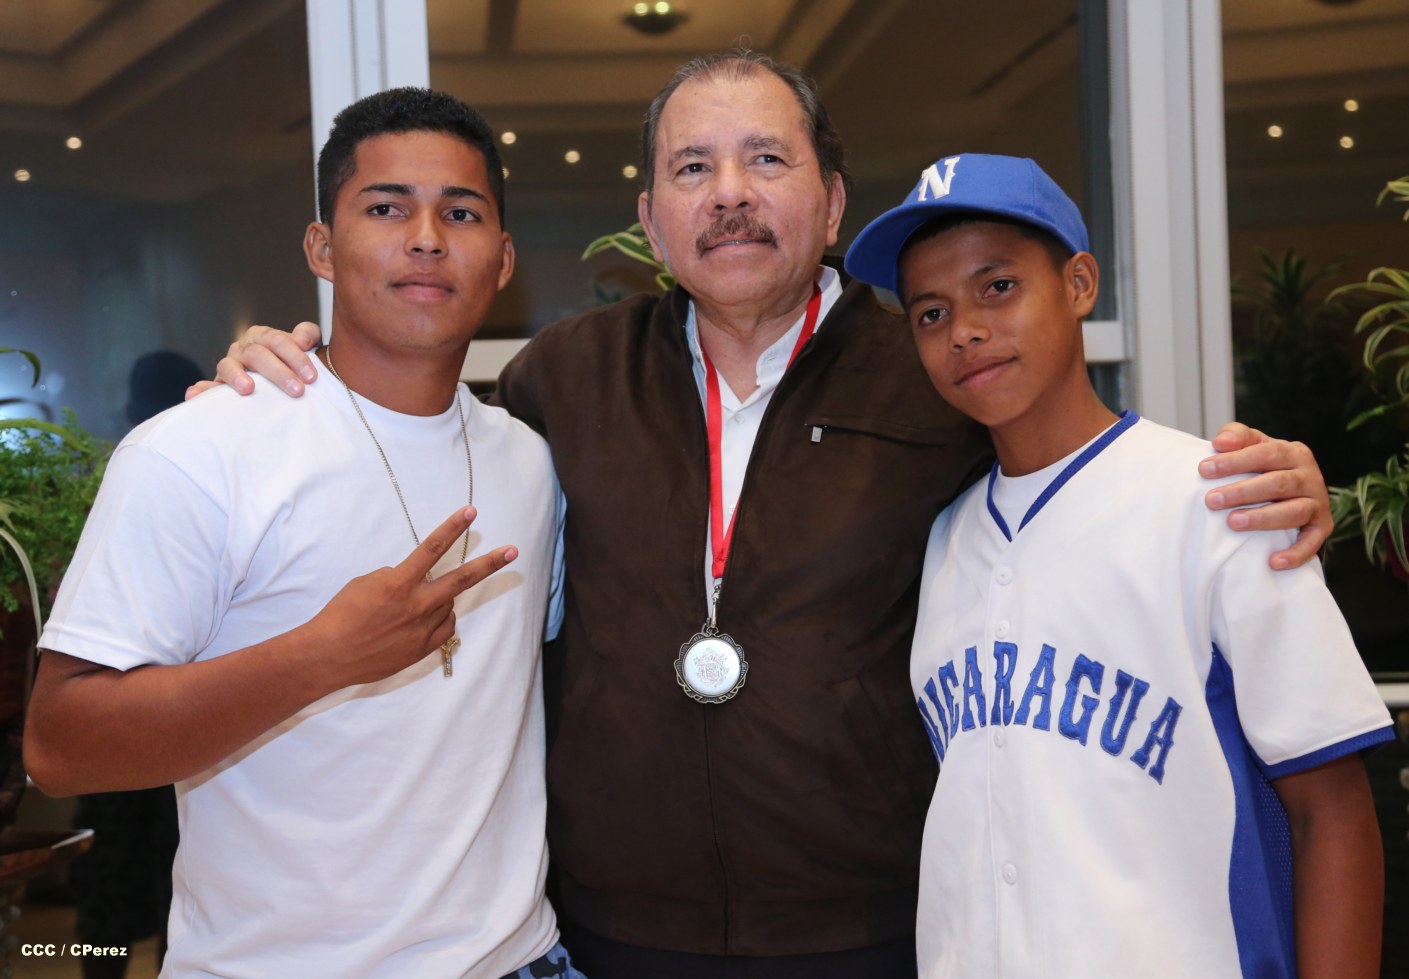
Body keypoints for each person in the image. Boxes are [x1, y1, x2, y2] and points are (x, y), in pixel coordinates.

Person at [199, 52, 1335, 978]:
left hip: (876, 932)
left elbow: (1069, 469)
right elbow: (420, 440)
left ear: (831, 202)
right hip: (612, 933)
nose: (729, 192)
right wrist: (295, 368)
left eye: (766, 159)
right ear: (650, 219)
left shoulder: (929, 367)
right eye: (692, 167)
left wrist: (1260, 479)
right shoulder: (564, 377)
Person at [24, 88, 583, 979]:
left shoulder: (531, 462)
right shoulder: (201, 449)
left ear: (503, 257)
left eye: (461, 212)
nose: (426, 237)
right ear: (322, 246)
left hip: (516, 958)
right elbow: (60, 746)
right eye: (386, 207)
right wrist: (321, 656)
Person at [844, 152, 1391, 978]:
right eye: (929, 312)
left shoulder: (1223, 501)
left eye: (997, 286)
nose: (963, 330)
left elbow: (1332, 810)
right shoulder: (943, 536)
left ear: (1078, 284)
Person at [67, 350, 203, 979]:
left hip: (124, 707)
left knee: (113, 883)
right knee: (178, 875)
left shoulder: (126, 471)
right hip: (185, 711)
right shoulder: (193, 465)